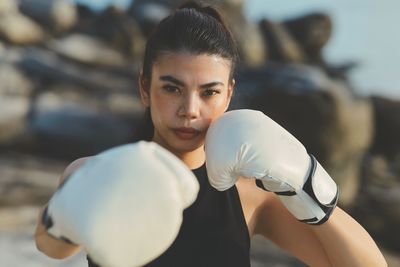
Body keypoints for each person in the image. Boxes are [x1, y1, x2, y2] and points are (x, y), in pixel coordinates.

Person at [35, 1, 387, 266]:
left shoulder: (250, 195)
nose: (190, 108)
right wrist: (72, 211)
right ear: (145, 88)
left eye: (209, 92)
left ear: (229, 95)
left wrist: (308, 182)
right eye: (172, 88)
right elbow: (51, 247)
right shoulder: (95, 173)